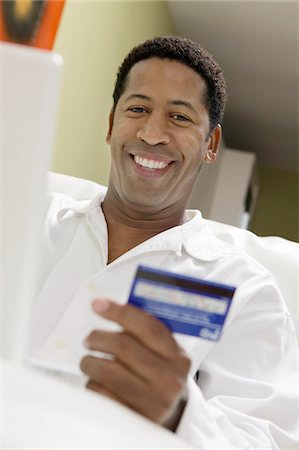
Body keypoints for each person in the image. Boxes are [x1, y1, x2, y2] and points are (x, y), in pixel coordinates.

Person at [28, 36, 298, 448]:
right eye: (138, 109)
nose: (152, 134)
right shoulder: (25, 218)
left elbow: (264, 440)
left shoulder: (244, 289)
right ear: (111, 125)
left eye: (180, 117)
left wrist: (178, 415)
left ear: (211, 144)